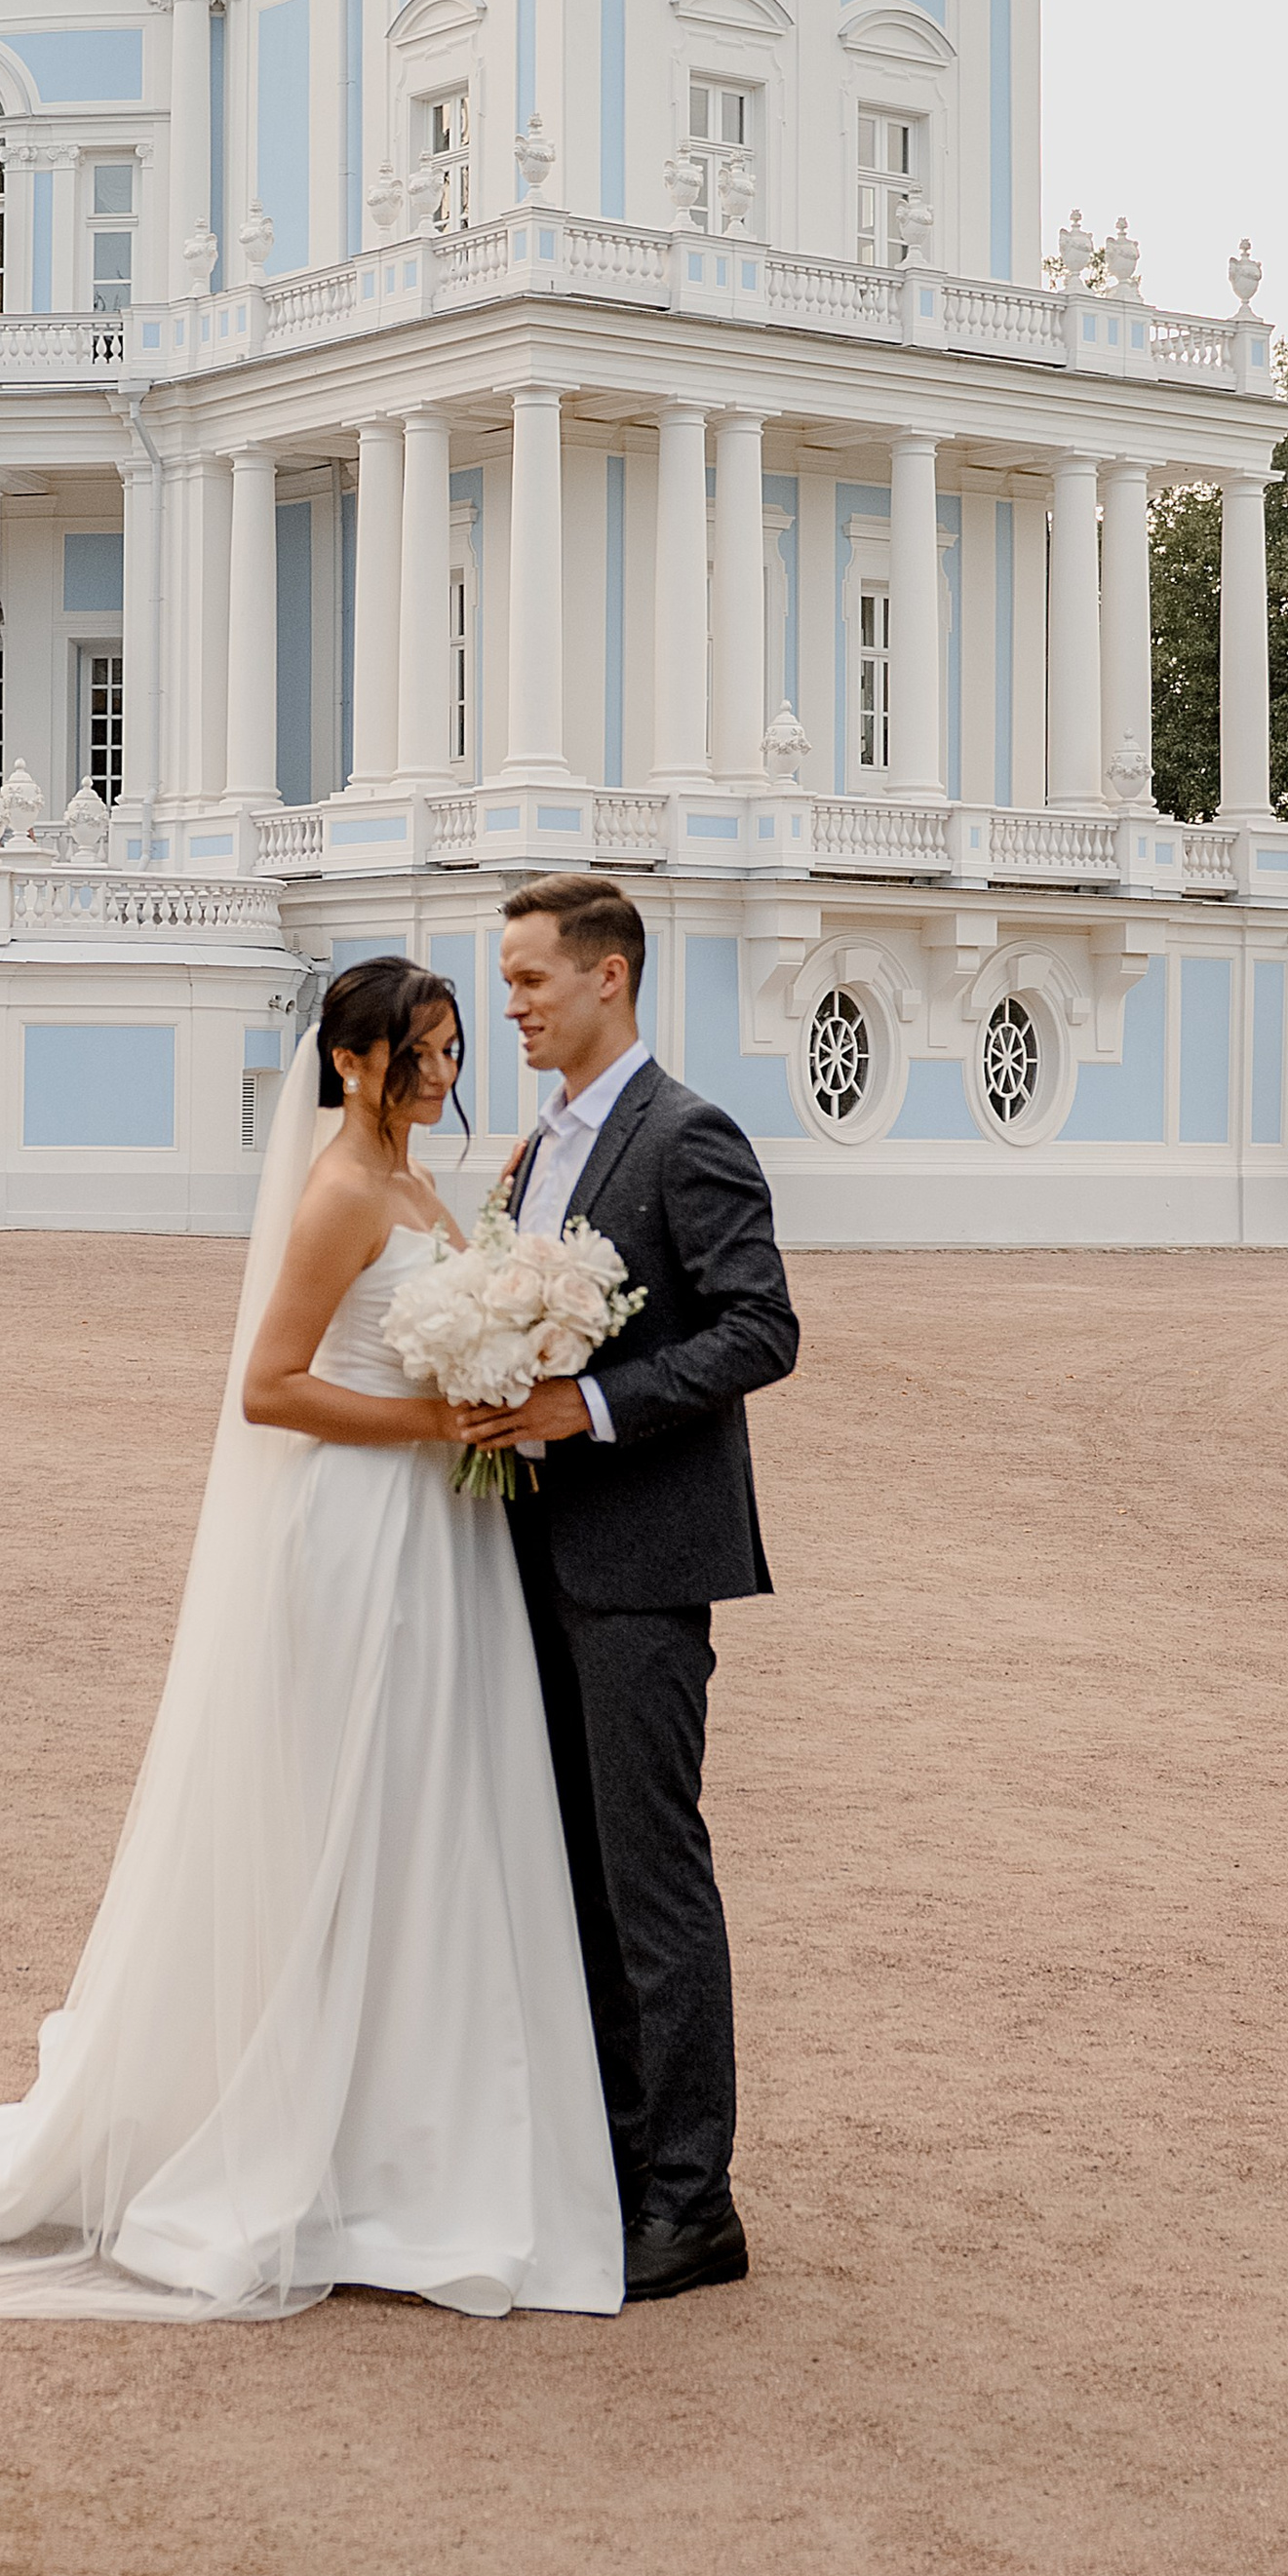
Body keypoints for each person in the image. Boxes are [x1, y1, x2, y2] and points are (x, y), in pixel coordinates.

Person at [0, 956, 621, 2322]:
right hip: (360, 1536)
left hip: (442, 1539)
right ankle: (322, 2138)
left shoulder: (417, 1185)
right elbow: (272, 1388)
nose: (443, 1072)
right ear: (348, 1062)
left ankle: (415, 2127)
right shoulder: (343, 1193)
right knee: (352, 1813)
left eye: (454, 1047)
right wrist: (439, 1420)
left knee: (431, 1815)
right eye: (419, 1051)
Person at [459, 875, 800, 2302]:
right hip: (529, 1554)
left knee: (652, 1879)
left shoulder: (687, 1134)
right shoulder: (535, 1150)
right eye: (510, 981)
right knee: (574, 1874)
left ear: (610, 977)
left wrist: (585, 1410)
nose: (514, 1006)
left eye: (532, 980)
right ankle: (610, 2162)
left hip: (647, 1563)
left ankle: (692, 2203)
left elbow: (762, 1328)